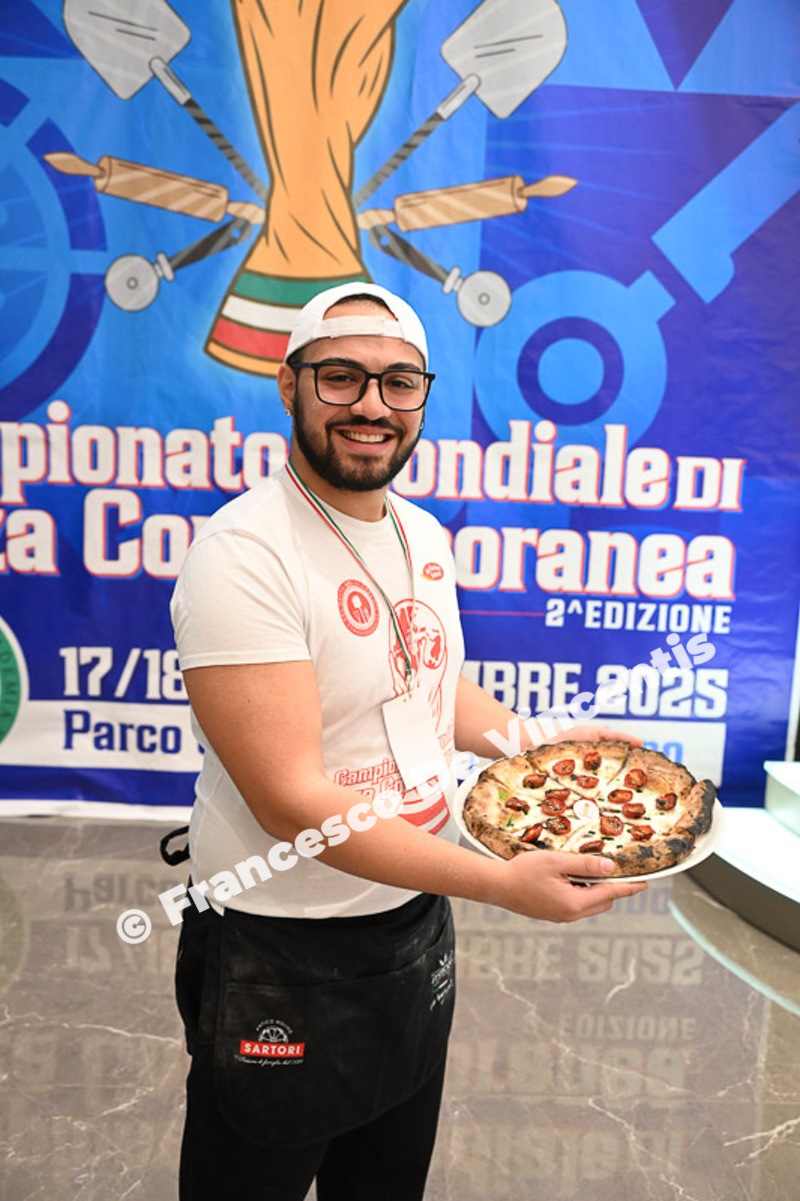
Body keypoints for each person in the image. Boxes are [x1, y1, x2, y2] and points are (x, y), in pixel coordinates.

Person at [169, 282, 647, 1200]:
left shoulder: (419, 532)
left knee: (386, 1182)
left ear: (422, 396)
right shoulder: (245, 554)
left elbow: (426, 681)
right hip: (281, 944)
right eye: (340, 377)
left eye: (398, 382)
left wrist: (539, 744)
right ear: (289, 384)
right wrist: (502, 883)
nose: (371, 405)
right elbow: (291, 802)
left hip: (414, 921)